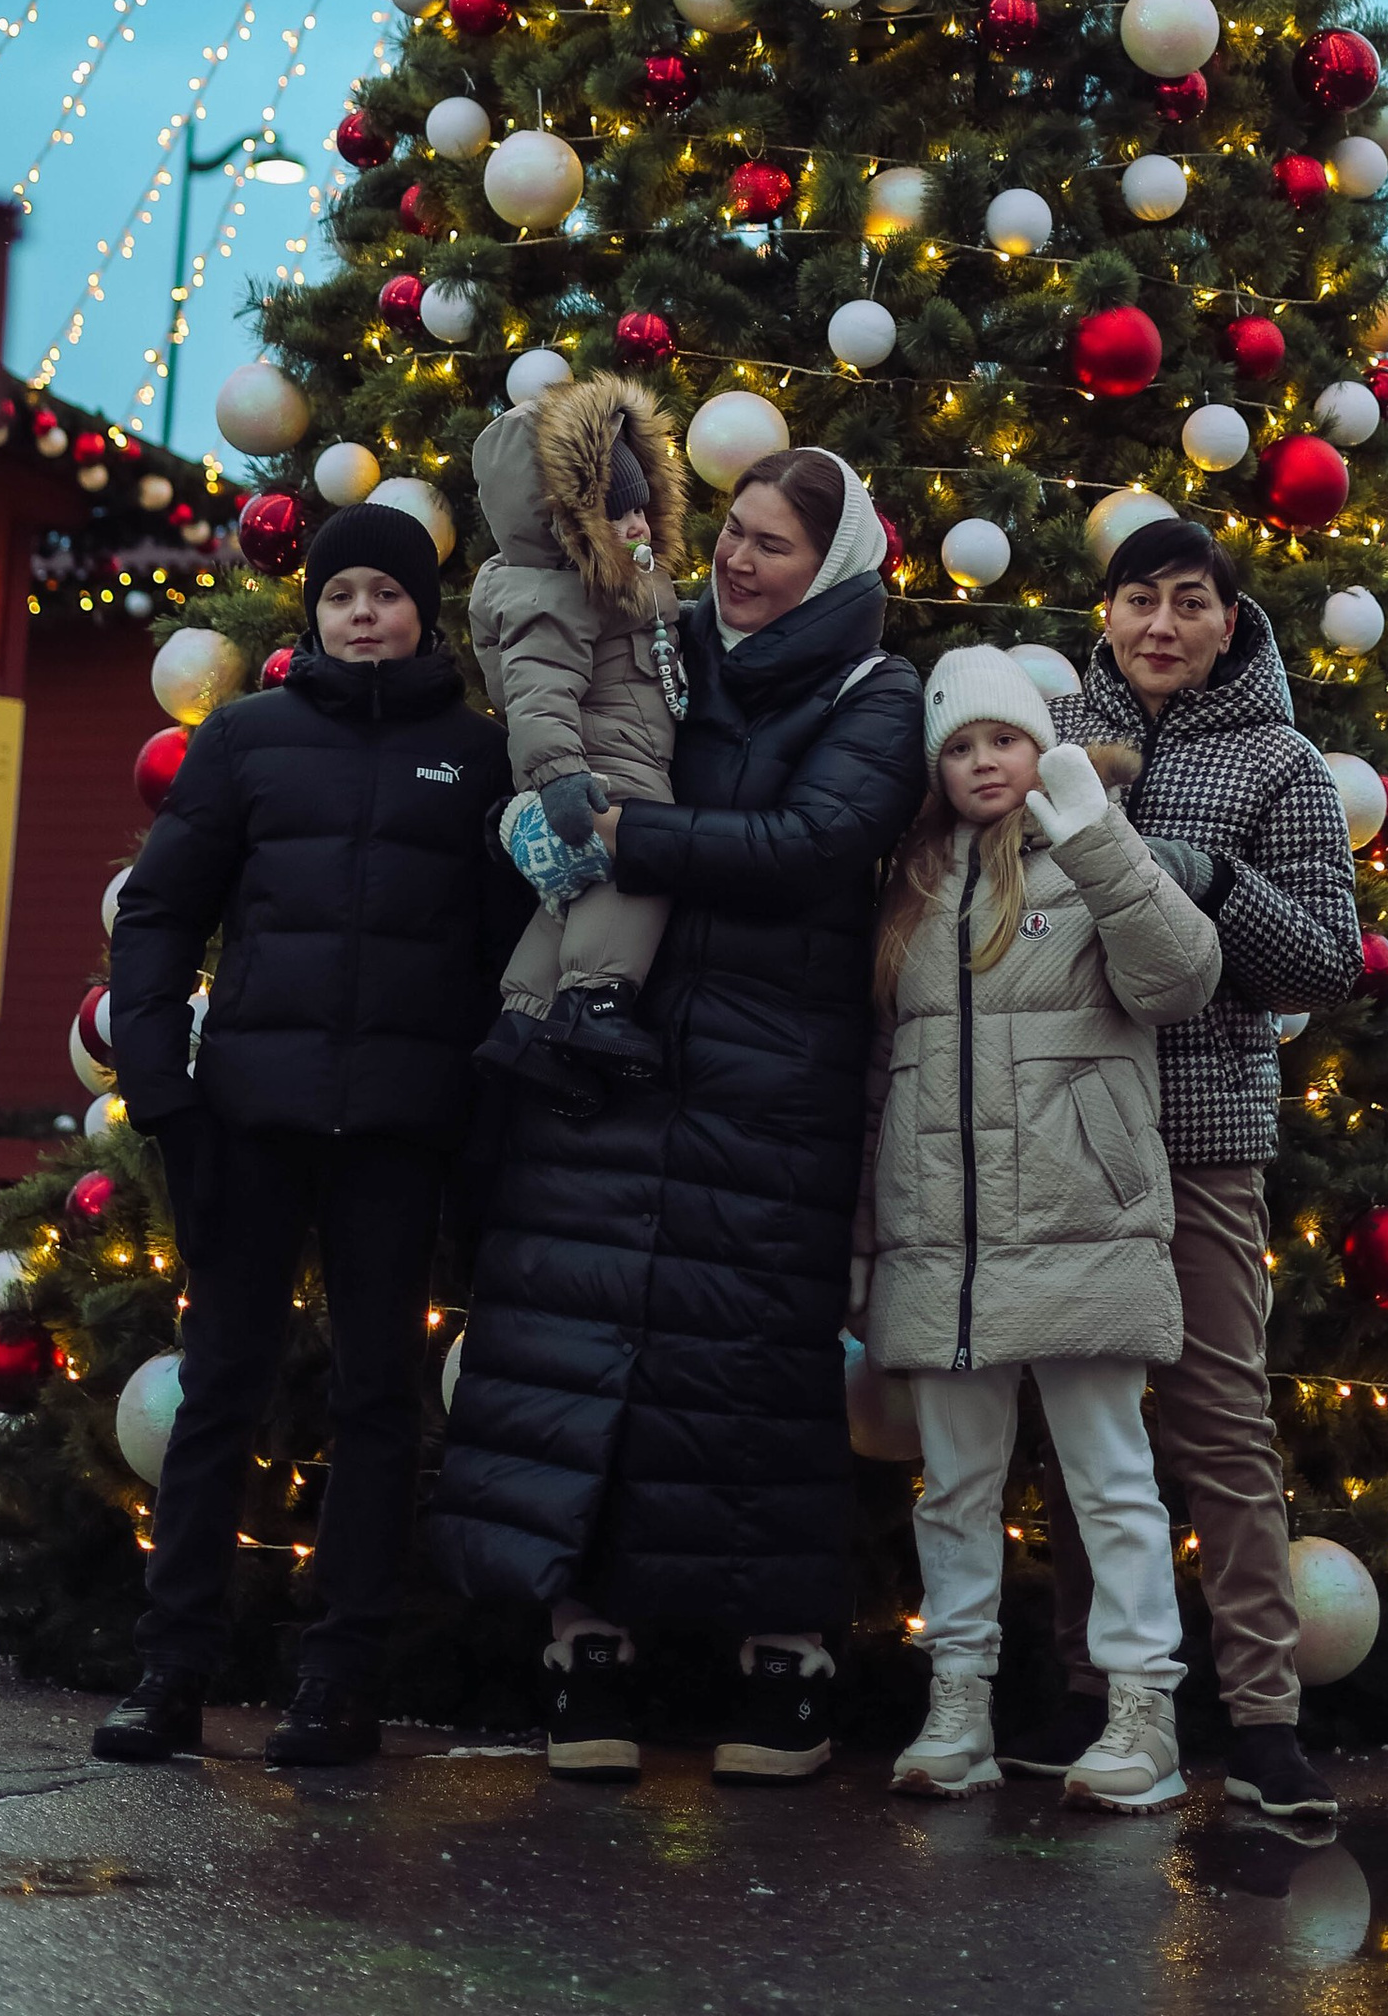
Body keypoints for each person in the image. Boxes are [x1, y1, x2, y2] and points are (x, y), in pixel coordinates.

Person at [428, 444, 925, 1783]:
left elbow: (812, 847)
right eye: (737, 533)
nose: (741, 561)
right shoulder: (655, 647)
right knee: (579, 1338)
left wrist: (625, 837)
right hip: (608, 1044)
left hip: (772, 1081)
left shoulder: (879, 694)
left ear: (836, 567)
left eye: (776, 545)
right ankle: (581, 1637)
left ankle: (787, 1654)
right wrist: (538, 821)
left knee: (749, 1371)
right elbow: (556, 755)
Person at [95, 503, 512, 1770]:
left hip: (398, 1136)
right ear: (313, 614)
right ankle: (172, 1674)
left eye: (387, 593)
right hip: (248, 1128)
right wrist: (164, 1091)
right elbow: (160, 919)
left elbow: (505, 955)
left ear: (422, 612)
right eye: (343, 597)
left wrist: (478, 1119)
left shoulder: (478, 758)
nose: (365, 614)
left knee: (380, 1399)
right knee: (220, 1389)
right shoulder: (245, 743)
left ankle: (339, 1682)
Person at [1001, 516, 1361, 1826]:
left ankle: (1264, 1721)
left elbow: (1327, 965)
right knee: (1078, 1428)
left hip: (1201, 1136)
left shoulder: (1282, 765)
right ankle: (1089, 1694)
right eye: (1138, 599)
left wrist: (1207, 881)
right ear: (1105, 611)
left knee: (1220, 1431)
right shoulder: (1040, 740)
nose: (1160, 625)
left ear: (1230, 621)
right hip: (1063, 1127)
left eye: (1189, 603)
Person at [866, 646, 1220, 1813]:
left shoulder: (1090, 847)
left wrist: (1097, 839)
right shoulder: (909, 883)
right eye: (960, 746)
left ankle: (1141, 1712)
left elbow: (1180, 977)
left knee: (1111, 1481)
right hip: (945, 1244)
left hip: (1080, 1222)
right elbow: (888, 1076)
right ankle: (958, 1701)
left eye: (1002, 740)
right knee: (952, 1489)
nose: (982, 763)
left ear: (1042, 747)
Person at [465, 372, 688, 1084]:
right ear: (562, 525)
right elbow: (536, 694)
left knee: (565, 904)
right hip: (602, 784)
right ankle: (596, 1003)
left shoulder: (601, 582)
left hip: (603, 774)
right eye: (615, 515)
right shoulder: (552, 596)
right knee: (636, 878)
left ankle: (521, 1019)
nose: (637, 527)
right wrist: (561, 777)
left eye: (641, 508)